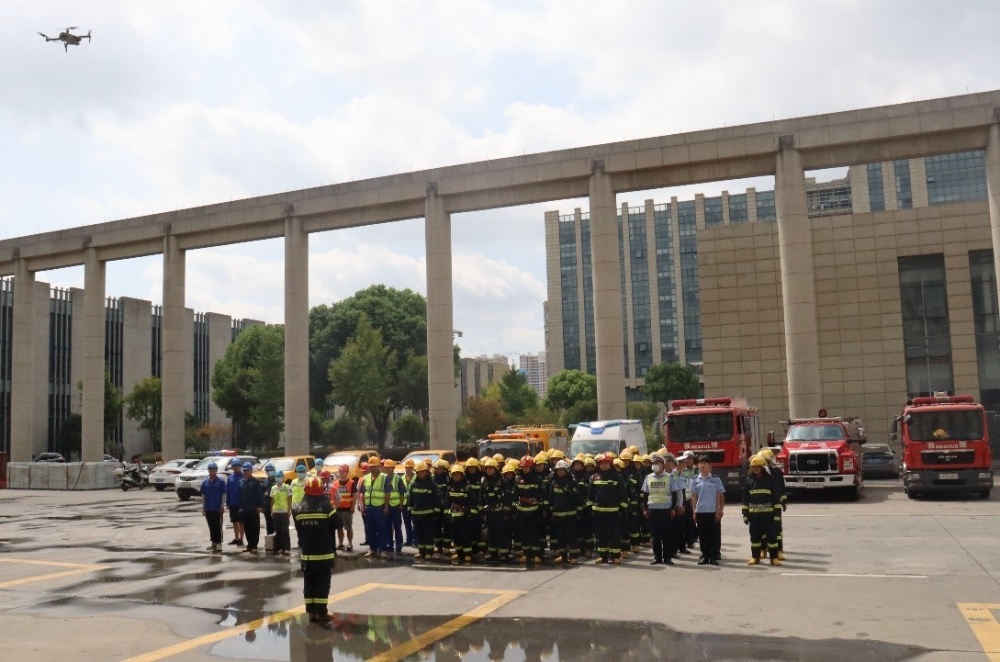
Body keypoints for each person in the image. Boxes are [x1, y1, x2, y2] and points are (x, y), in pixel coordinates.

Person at [294, 476, 338, 622]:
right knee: (322, 584)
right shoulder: (326, 507)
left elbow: (299, 528)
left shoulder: (299, 509)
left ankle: (311, 612)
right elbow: (338, 523)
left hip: (307, 554)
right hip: (323, 554)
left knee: (309, 583)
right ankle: (321, 612)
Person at [589, 453, 626, 565]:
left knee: (614, 535)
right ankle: (603, 556)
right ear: (599, 465)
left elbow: (622, 495)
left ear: (610, 464)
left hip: (613, 512)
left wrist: (622, 509)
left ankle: (615, 557)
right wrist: (590, 508)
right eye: (602, 463)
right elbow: (590, 495)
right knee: (601, 535)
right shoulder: (594, 477)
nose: (604, 465)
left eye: (606, 463)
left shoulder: (617, 477)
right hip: (598, 513)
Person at [742, 455, 780, 565]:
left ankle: (774, 558)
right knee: (755, 538)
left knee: (772, 538)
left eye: (758, 466)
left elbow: (775, 498)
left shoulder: (770, 480)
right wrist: (745, 514)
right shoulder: (749, 480)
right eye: (754, 467)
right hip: (754, 516)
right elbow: (745, 498)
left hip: (768, 515)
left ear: (762, 467)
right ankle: (755, 557)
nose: (756, 469)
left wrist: (777, 515)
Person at [640, 454, 675, 566]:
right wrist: (645, 509)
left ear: (662, 465)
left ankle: (667, 557)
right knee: (655, 536)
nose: (655, 465)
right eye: (653, 463)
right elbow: (645, 495)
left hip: (666, 510)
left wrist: (673, 508)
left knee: (667, 535)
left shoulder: (669, 477)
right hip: (653, 510)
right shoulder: (648, 478)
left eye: (657, 463)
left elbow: (674, 494)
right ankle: (657, 557)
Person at [691, 456, 725, 566]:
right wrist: (694, 511)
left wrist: (719, 510)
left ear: (709, 465)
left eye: (704, 463)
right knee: (703, 535)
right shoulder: (695, 480)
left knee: (714, 535)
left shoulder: (715, 479)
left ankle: (714, 556)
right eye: (700, 463)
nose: (702, 466)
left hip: (712, 511)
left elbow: (719, 495)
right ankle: (705, 556)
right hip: (700, 511)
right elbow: (694, 496)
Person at [548, 460, 583, 564]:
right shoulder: (554, 483)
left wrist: (579, 512)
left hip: (571, 515)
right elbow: (551, 499)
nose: (560, 472)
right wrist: (551, 511)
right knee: (561, 536)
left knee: (572, 536)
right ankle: (563, 556)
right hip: (558, 515)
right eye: (558, 470)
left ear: (566, 471)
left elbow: (578, 499)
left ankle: (573, 556)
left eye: (562, 470)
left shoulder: (572, 483)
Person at [514, 455, 546, 566]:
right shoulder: (518, 479)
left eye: (526, 467)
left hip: (534, 510)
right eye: (523, 467)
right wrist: (514, 509)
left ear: (531, 467)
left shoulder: (537, 479)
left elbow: (542, 494)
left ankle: (536, 554)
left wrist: (543, 508)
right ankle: (526, 554)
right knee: (524, 533)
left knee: (534, 532)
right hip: (521, 510)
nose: (525, 469)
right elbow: (515, 495)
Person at [406, 462, 441, 560]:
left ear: (426, 472)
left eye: (422, 472)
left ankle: (429, 552)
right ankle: (421, 552)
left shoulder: (432, 485)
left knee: (428, 534)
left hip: (428, 515)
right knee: (419, 534)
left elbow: (437, 500)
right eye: (419, 472)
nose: (420, 474)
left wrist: (436, 512)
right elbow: (411, 499)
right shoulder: (414, 485)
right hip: (417, 515)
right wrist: (409, 510)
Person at [444, 464, 476, 564]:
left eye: (458, 474)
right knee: (455, 536)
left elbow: (472, 502)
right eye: (454, 474)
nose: (456, 476)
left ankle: (467, 554)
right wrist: (447, 515)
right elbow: (447, 502)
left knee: (465, 536)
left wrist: (471, 514)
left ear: (462, 475)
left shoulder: (467, 488)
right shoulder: (450, 488)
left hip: (464, 517)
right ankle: (459, 553)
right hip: (453, 517)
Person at [758, 447, 787, 560]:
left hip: (776, 504)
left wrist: (783, 500)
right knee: (762, 529)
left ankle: (779, 550)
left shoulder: (776, 472)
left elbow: (781, 487)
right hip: (764, 505)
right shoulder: (760, 474)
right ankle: (763, 549)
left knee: (777, 528)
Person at [358, 459, 391, 559]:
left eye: (374, 466)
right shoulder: (366, 478)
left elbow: (387, 493)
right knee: (370, 529)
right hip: (369, 507)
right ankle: (373, 549)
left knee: (381, 529)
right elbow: (363, 493)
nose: (372, 468)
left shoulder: (384, 477)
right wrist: (363, 506)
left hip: (379, 507)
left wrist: (386, 506)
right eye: (370, 466)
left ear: (378, 467)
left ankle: (382, 550)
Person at [480, 457, 510, 564]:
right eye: (487, 468)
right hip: (489, 513)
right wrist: (482, 510)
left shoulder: (502, 481)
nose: (489, 470)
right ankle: (493, 554)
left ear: (495, 469)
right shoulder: (484, 482)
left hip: (500, 513)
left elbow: (507, 498)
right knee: (491, 533)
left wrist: (506, 512)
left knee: (502, 533)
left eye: (491, 468)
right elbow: (481, 497)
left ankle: (504, 554)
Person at [200, 462, 227, 553]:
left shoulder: (220, 482)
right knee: (211, 526)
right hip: (208, 508)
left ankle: (219, 542)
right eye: (210, 470)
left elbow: (223, 495)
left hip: (217, 508)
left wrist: (222, 506)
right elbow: (203, 495)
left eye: (213, 470)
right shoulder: (205, 482)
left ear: (216, 470)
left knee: (217, 526)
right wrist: (203, 507)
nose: (212, 471)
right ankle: (213, 542)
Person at [239, 462, 265, 554]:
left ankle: (254, 545)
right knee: (247, 528)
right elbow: (240, 495)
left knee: (254, 528)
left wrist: (259, 506)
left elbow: (259, 495)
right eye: (244, 470)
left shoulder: (255, 482)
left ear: (251, 471)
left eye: (247, 470)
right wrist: (240, 507)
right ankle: (249, 545)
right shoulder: (241, 481)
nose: (246, 472)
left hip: (253, 508)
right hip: (244, 508)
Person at [383, 460, 406, 555]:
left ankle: (399, 546)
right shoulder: (383, 478)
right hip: (386, 506)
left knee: (397, 527)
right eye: (386, 467)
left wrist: (401, 505)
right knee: (387, 526)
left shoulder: (398, 479)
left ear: (393, 468)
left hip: (396, 506)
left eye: (389, 467)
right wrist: (385, 506)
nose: (387, 469)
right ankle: (389, 545)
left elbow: (402, 493)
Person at [332, 464, 357, 552]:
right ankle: (340, 543)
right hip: (338, 508)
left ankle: (350, 543)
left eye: (343, 471)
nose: (341, 473)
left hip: (347, 509)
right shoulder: (335, 483)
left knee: (348, 527)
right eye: (340, 471)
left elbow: (354, 495)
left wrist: (353, 506)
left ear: (346, 472)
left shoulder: (352, 483)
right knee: (339, 527)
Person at [678, 451, 699, 552]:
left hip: (694, 498)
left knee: (691, 520)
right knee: (685, 521)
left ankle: (692, 539)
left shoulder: (697, 470)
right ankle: (687, 540)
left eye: (690, 459)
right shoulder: (681, 471)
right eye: (686, 459)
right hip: (684, 498)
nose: (688, 461)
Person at [270, 471, 293, 556]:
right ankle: (280, 547)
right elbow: (272, 500)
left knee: (285, 530)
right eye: (277, 477)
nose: (278, 478)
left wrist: (289, 510)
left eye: (279, 477)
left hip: (284, 511)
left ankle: (286, 548)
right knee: (278, 530)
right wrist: (272, 510)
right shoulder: (273, 488)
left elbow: (289, 499)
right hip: (276, 511)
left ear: (283, 478)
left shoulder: (286, 487)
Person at [226, 458, 245, 546]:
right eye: (234, 466)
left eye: (237, 466)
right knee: (234, 521)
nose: (236, 468)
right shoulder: (230, 477)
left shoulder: (244, 477)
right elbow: (228, 490)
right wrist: (227, 501)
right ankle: (236, 538)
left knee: (241, 521)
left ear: (240, 467)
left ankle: (241, 538)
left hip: (241, 503)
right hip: (232, 502)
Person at [290, 464, 309, 549]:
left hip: (304, 508)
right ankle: (300, 543)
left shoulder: (308, 482)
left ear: (305, 472)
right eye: (299, 472)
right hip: (294, 508)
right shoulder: (293, 482)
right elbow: (290, 493)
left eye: (302, 472)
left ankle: (306, 543)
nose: (300, 473)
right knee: (297, 526)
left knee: (305, 526)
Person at [400, 459, 417, 547]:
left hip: (413, 503)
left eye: (409, 467)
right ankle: (409, 540)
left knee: (415, 522)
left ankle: (415, 540)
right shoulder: (402, 477)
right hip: (404, 503)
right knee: (407, 522)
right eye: (406, 468)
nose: (408, 469)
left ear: (412, 468)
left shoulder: (416, 477)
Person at [261, 463, 277, 539]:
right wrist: (262, 506)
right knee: (268, 524)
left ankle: (277, 541)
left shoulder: (277, 480)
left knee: (275, 524)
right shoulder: (265, 481)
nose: (269, 472)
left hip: (275, 506)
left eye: (270, 470)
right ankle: (270, 541)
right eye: (267, 471)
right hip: (267, 506)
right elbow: (262, 493)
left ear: (274, 471)